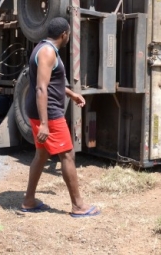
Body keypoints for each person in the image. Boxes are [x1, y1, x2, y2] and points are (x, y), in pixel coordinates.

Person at [21, 17, 100, 217]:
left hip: (39, 111)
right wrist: (45, 124)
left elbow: (50, 82)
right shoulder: (48, 53)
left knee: (42, 154)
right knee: (67, 154)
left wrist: (71, 94)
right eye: (68, 34)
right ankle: (78, 206)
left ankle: (29, 201)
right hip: (49, 113)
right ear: (64, 34)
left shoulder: (41, 47)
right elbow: (41, 88)